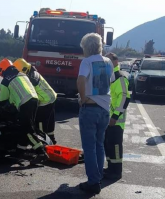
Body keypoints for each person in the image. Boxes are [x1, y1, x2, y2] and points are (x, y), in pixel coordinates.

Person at [77, 33, 114, 194]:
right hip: (105, 108)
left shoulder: (87, 61)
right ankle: (97, 178)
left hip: (90, 108)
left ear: (86, 47)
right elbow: (110, 81)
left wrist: (84, 98)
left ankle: (93, 182)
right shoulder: (108, 61)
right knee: (99, 145)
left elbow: (80, 79)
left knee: (89, 147)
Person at [0, 58, 49, 164]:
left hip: (24, 103)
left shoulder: (5, 81)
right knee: (25, 127)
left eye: (1, 73)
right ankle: (20, 151)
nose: (1, 76)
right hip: (34, 100)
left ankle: (41, 153)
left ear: (2, 70)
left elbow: (2, 102)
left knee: (27, 129)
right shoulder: (21, 74)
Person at [13, 58, 58, 144]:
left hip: (45, 102)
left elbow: (30, 94)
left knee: (40, 125)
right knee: (49, 124)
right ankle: (52, 141)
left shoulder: (29, 78)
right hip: (52, 97)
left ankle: (43, 145)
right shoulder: (34, 72)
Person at [104, 52, 130, 179]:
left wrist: (114, 116)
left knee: (115, 146)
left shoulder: (120, 77)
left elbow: (125, 99)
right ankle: (110, 168)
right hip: (108, 119)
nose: (107, 62)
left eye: (109, 59)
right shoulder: (110, 76)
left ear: (116, 61)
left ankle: (116, 172)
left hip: (116, 120)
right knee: (108, 144)